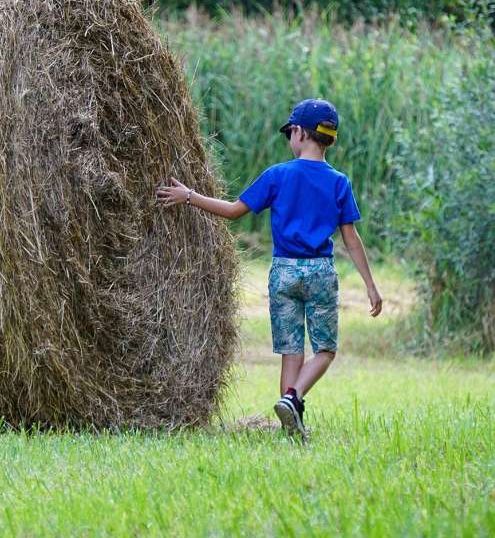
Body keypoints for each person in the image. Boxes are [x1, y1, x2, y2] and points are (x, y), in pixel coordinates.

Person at [155, 98, 383, 436]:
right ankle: (293, 403)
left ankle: (289, 406)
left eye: (290, 132)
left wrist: (190, 195)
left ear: (300, 133)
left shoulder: (278, 175)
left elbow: (233, 210)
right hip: (320, 271)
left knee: (291, 352)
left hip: (283, 272)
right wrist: (370, 284)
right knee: (324, 350)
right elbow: (351, 239)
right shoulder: (339, 182)